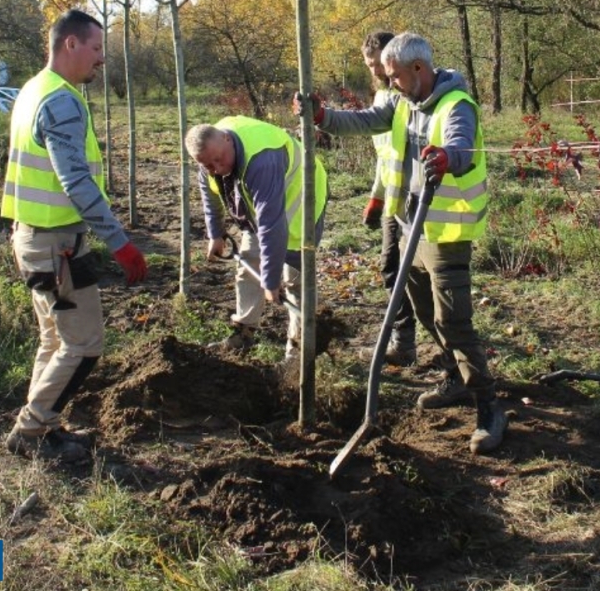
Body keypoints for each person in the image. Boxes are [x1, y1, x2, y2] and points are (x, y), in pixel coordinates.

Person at [295, 32, 506, 455]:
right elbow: (361, 121)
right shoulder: (398, 101)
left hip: (445, 234)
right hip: (410, 225)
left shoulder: (456, 105)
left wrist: (449, 158)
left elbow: (463, 144)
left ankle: (489, 405)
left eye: (393, 75)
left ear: (418, 69)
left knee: (453, 322)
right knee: (425, 313)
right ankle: (453, 377)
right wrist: (320, 116)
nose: (388, 82)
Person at [1, 9, 148, 463]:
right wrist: (120, 243)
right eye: (97, 48)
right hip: (56, 246)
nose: (101, 59)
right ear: (70, 44)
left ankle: (43, 428)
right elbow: (76, 182)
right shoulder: (61, 100)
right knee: (84, 345)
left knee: (54, 340)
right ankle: (30, 431)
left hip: (36, 239)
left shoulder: (33, 89)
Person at [185, 117, 328, 360]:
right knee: (249, 263)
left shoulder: (262, 160)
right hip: (258, 208)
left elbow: (271, 224)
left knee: (295, 280)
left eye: (219, 160)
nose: (216, 168)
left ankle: (298, 352)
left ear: (227, 139)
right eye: (208, 165)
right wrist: (215, 233)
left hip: (301, 202)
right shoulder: (209, 150)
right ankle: (243, 331)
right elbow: (209, 191)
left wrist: (271, 281)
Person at [361, 31, 418, 367]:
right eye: (370, 65)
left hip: (411, 197)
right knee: (390, 268)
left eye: (379, 64)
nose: (376, 70)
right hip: (390, 194)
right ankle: (404, 342)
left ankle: (416, 344)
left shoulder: (405, 97)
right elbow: (386, 155)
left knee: (412, 275)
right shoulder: (382, 97)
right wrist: (376, 197)